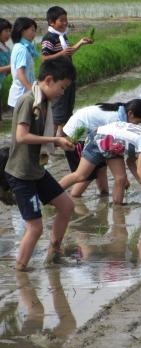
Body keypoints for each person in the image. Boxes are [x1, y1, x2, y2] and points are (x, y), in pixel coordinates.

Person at [4, 57, 76, 271]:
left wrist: (60, 142)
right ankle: (20, 270)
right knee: (35, 228)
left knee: (67, 206)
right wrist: (54, 140)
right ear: (49, 80)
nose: (62, 93)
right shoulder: (29, 100)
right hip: (21, 173)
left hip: (36, 169)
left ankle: (54, 254)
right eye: (61, 88)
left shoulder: (44, 102)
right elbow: (22, 136)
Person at [59, 123, 141, 204]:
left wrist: (140, 180)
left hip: (112, 146)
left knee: (121, 178)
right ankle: (53, 193)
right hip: (98, 140)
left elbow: (130, 162)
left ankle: (117, 208)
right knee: (80, 176)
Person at [62, 99, 141, 197]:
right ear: (130, 114)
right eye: (137, 122)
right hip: (76, 137)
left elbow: (109, 152)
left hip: (94, 138)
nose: (136, 125)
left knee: (101, 169)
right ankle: (57, 194)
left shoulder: (120, 113)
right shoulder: (115, 119)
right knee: (84, 175)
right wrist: (123, 178)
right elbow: (110, 150)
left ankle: (104, 196)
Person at [41, 6, 93, 135]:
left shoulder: (62, 36)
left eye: (66, 20)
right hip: (57, 79)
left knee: (67, 107)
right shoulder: (49, 38)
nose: (65, 23)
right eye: (61, 21)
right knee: (57, 109)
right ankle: (51, 140)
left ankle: (61, 137)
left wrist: (80, 43)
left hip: (66, 78)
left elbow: (68, 52)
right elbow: (44, 58)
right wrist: (62, 53)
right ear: (52, 22)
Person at [7, 17, 39, 108]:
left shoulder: (21, 47)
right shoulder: (22, 49)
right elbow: (21, 75)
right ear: (22, 31)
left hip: (21, 96)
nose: (34, 34)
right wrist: (33, 91)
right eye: (32, 30)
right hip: (21, 97)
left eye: (35, 31)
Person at [0, 18, 12, 121]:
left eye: (9, 31)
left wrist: (9, 70)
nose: (8, 34)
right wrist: (11, 67)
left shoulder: (6, 48)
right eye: (6, 31)